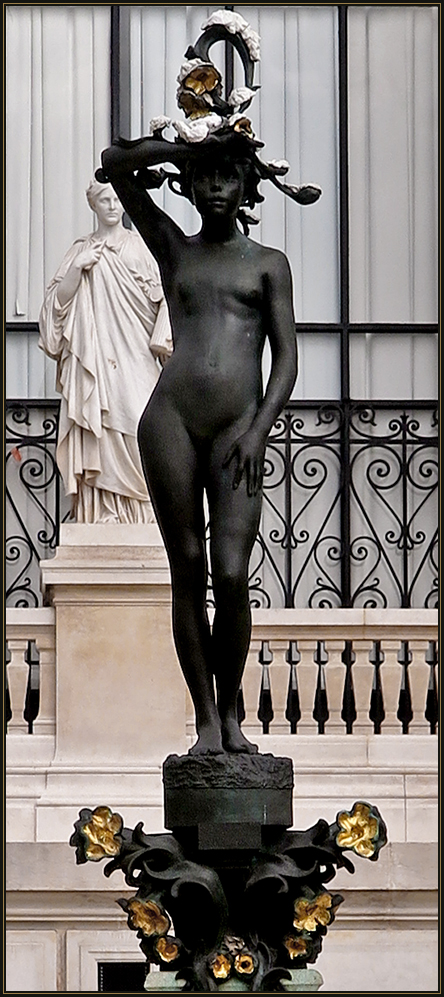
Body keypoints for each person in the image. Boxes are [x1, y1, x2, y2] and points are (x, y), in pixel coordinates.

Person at [98, 13, 320, 754]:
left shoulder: (268, 264)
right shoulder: (175, 248)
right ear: (190, 183)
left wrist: (258, 429)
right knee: (187, 568)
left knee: (232, 572)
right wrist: (192, 138)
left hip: (235, 430)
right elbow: (114, 163)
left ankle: (233, 713)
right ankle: (203, 721)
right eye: (207, 174)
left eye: (232, 172)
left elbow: (287, 359)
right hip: (170, 421)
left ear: (250, 180)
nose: (219, 183)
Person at [38, 180, 173, 524]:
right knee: (99, 423)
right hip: (96, 359)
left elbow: (168, 298)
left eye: (117, 199)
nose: (113, 206)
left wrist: (164, 334)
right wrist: (77, 268)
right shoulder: (81, 249)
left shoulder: (141, 249)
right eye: (105, 199)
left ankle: (145, 515)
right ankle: (103, 513)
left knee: (140, 423)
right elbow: (54, 308)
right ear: (93, 205)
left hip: (137, 359)